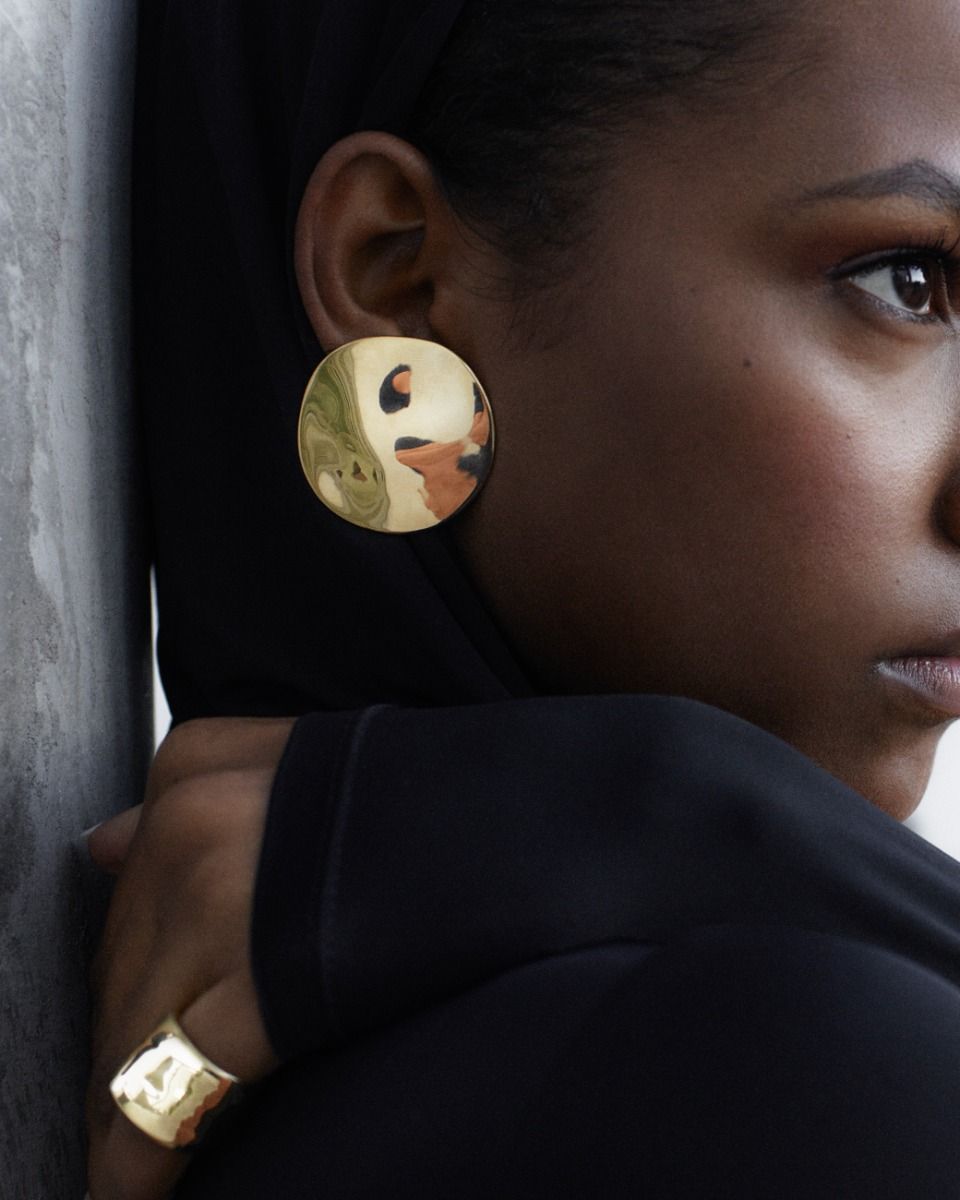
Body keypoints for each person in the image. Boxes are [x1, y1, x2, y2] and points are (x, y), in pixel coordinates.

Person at [86, 0, 960, 1195]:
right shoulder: (813, 1077)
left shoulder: (200, 1073)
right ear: (397, 276)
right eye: (910, 282)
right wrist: (688, 823)